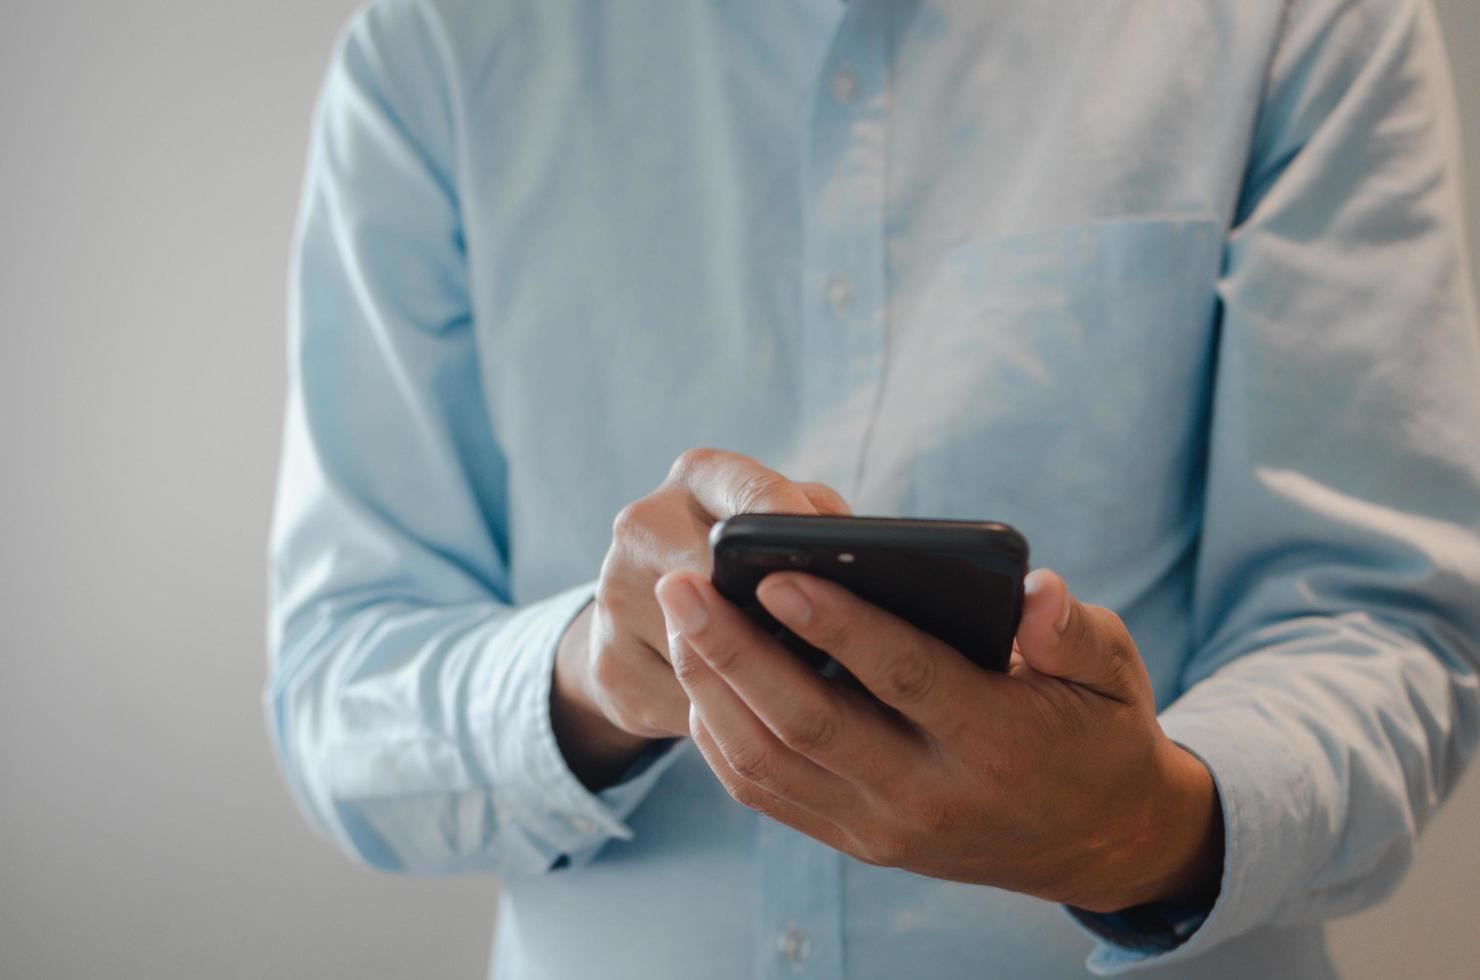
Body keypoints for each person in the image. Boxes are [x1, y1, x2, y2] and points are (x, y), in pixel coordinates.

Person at [266, 0, 1480, 976]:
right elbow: (337, 682)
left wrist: (1144, 829)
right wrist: (591, 673)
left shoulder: (1305, 20)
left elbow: (1377, 617)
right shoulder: (436, 44)